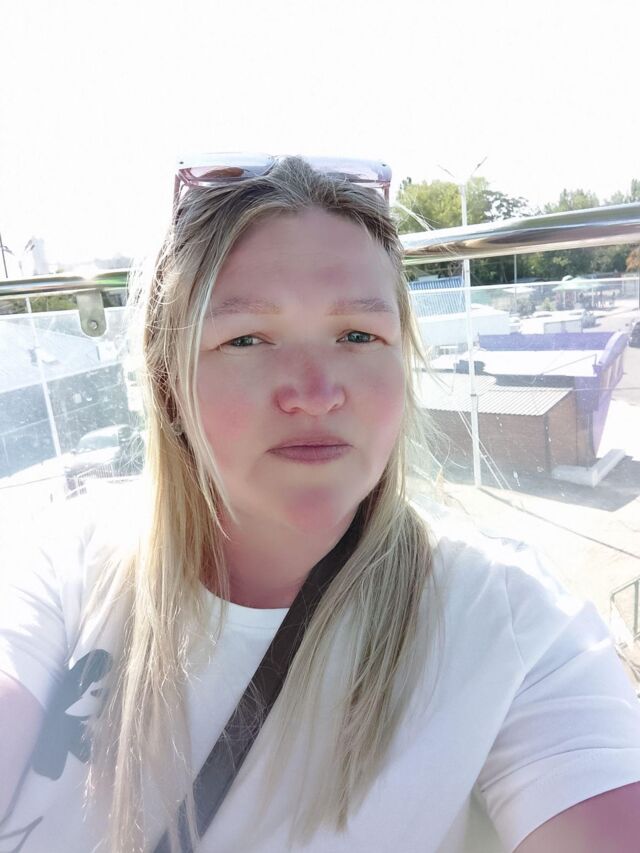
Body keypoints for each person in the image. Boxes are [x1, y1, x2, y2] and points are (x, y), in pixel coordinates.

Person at [1, 155, 640, 853]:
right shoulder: (64, 567)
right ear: (167, 385)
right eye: (247, 339)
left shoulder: (514, 624)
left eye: (358, 335)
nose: (315, 393)